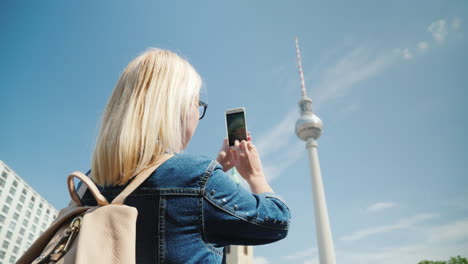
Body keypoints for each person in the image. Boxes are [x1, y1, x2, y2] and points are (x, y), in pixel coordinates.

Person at [80, 48, 291, 263]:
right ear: (177, 107)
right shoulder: (195, 176)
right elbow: (277, 221)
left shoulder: (86, 185)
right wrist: (255, 176)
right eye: (197, 104)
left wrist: (212, 172)